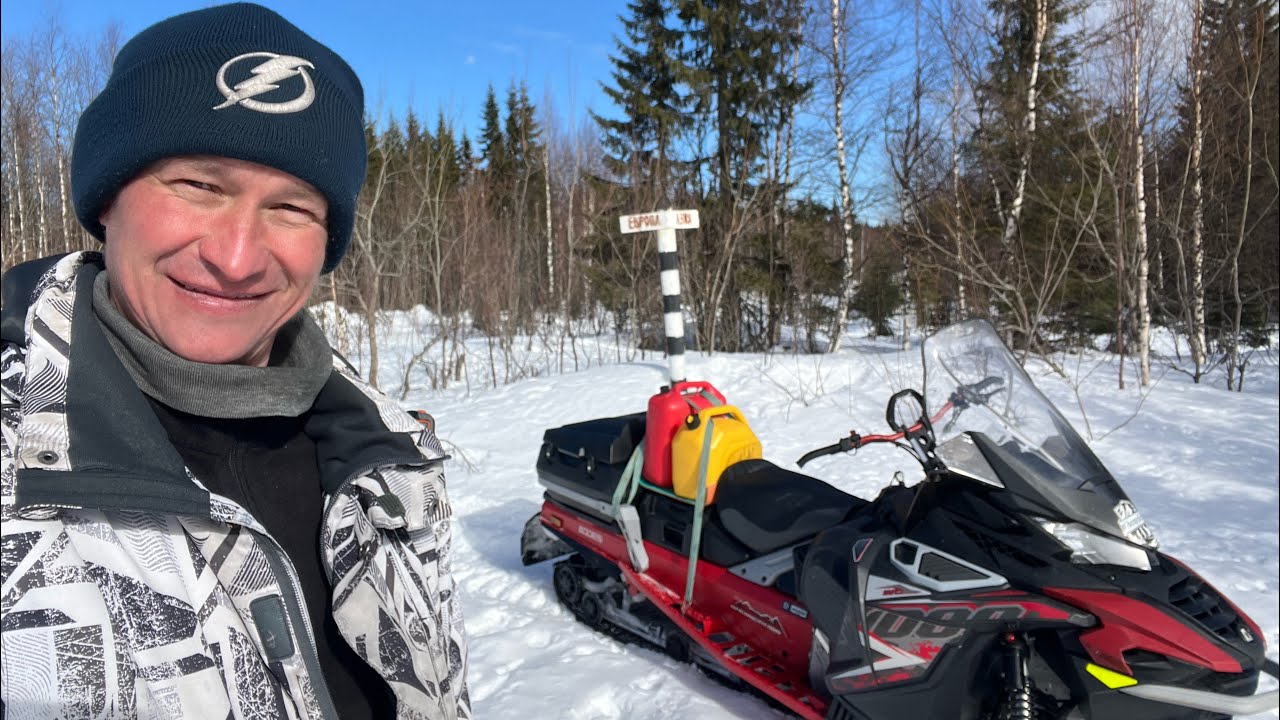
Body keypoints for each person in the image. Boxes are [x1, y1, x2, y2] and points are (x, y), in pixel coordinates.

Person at [0, 4, 470, 718]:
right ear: (106, 201)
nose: (236, 257)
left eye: (290, 208)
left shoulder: (384, 459)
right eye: (199, 185)